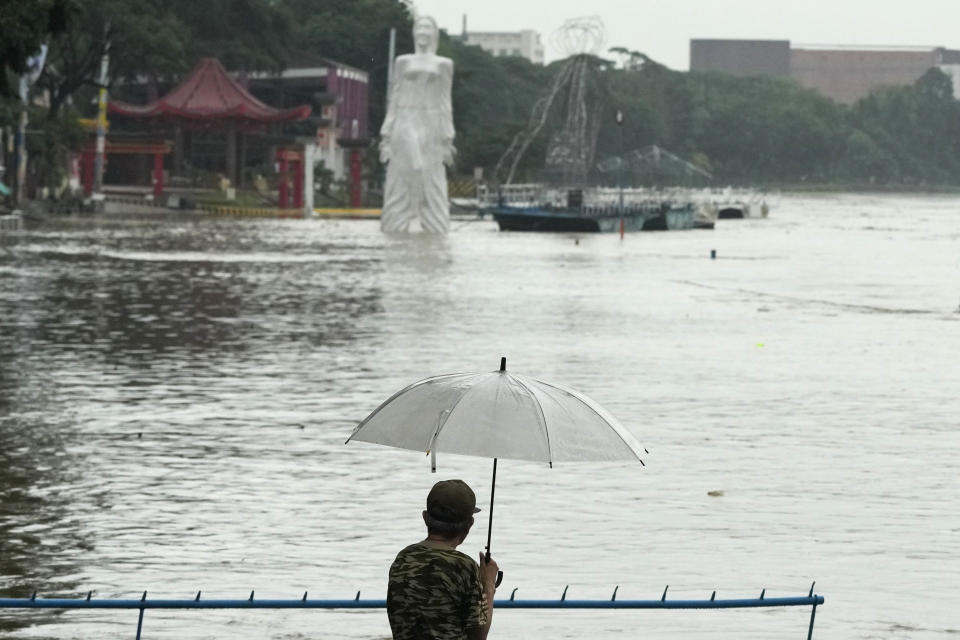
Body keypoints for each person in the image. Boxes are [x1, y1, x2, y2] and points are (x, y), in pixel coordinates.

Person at [387, 479, 500, 640]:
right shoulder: (464, 566)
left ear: (425, 517)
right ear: (469, 524)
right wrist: (488, 585)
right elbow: (478, 635)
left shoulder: (403, 558)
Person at [379, 15, 455, 233]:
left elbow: (445, 100)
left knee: (431, 172)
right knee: (415, 166)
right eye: (419, 27)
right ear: (414, 32)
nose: (423, 32)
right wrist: (386, 134)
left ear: (434, 33)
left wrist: (447, 137)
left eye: (427, 28)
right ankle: (411, 214)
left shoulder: (444, 64)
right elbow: (394, 96)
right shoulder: (403, 61)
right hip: (405, 118)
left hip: (431, 121)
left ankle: (431, 221)